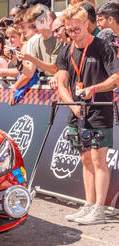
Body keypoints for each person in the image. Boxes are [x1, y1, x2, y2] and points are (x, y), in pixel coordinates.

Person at [56, 5, 119, 225]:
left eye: (76, 30)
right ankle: (89, 204)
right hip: (77, 112)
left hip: (100, 109)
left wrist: (94, 89)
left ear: (86, 25)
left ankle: (99, 209)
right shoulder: (66, 49)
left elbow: (116, 78)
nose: (72, 34)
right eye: (68, 30)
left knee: (98, 160)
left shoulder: (103, 47)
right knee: (85, 160)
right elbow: (61, 83)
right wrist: (72, 105)